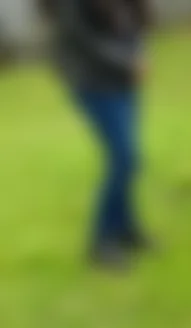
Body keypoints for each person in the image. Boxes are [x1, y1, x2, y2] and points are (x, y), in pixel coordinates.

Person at [39, 0, 151, 266]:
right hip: (94, 81)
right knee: (124, 158)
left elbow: (132, 21)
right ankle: (101, 242)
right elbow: (80, 40)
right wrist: (128, 63)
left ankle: (125, 229)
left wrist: (138, 52)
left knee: (129, 159)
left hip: (122, 80)